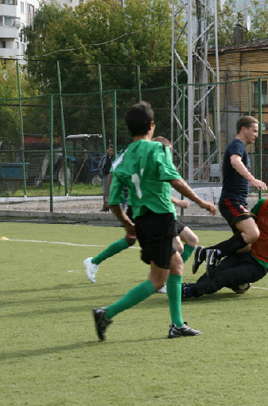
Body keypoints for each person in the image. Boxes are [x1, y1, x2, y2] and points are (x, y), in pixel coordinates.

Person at [92, 101, 217, 341]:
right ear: (151, 125)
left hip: (142, 220)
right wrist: (201, 202)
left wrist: (127, 223)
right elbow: (175, 180)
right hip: (159, 218)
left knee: (176, 264)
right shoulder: (157, 150)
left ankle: (177, 324)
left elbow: (114, 201)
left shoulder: (123, 158)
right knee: (157, 279)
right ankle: (106, 313)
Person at [191, 115, 268, 273]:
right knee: (253, 233)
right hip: (231, 200)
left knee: (245, 246)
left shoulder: (241, 147)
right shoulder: (237, 144)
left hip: (237, 201)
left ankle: (206, 254)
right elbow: (235, 161)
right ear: (243, 129)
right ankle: (215, 254)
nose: (256, 135)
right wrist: (252, 179)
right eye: (254, 131)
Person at [99, 144, 115, 212]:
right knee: (105, 191)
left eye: (112, 150)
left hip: (113, 176)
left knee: (112, 191)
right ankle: (105, 207)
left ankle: (112, 207)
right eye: (109, 150)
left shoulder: (115, 158)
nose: (110, 152)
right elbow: (100, 165)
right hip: (106, 175)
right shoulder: (104, 157)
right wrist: (102, 173)